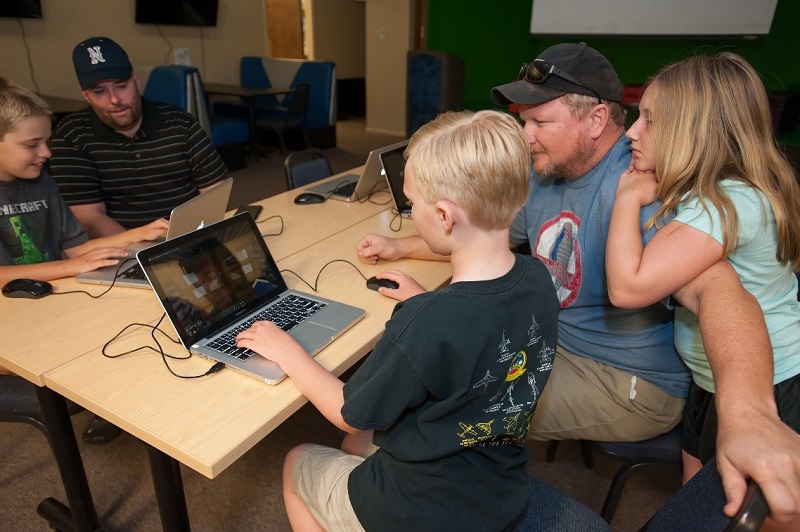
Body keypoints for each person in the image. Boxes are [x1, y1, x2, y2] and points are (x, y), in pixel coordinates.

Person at [236, 110, 560, 530]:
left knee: (298, 460)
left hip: (419, 510)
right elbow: (482, 330)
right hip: (496, 490)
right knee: (356, 445)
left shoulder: (427, 322)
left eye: (411, 204)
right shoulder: (538, 278)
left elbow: (347, 411)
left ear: (444, 216)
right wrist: (425, 302)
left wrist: (287, 350)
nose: (408, 212)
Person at [358, 42, 690, 443]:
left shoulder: (640, 184)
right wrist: (401, 247)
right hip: (552, 340)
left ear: (597, 119)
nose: (525, 136)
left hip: (625, 381)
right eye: (523, 121)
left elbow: (716, 288)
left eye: (540, 123)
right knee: (442, 373)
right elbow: (476, 232)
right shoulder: (547, 169)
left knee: (437, 408)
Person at [606, 53, 800, 527]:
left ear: (696, 131)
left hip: (769, 382)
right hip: (710, 378)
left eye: (649, 120)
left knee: (748, 513)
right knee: (700, 506)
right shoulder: (721, 193)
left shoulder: (726, 202)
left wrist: (626, 198)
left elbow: (628, 287)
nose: (632, 131)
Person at [0, 77, 167, 442]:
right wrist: (71, 268)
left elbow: (77, 249)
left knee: (134, 310)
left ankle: (131, 407)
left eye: (46, 140)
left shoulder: (42, 181)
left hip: (44, 298)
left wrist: (138, 234)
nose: (47, 152)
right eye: (33, 144)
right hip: (8, 324)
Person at [49, 36, 229, 238]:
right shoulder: (70, 137)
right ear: (85, 95)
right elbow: (89, 217)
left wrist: (192, 238)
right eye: (100, 91)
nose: (115, 99)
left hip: (189, 235)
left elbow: (214, 192)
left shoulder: (180, 123)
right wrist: (139, 252)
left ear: (136, 82)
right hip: (122, 248)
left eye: (121, 86)